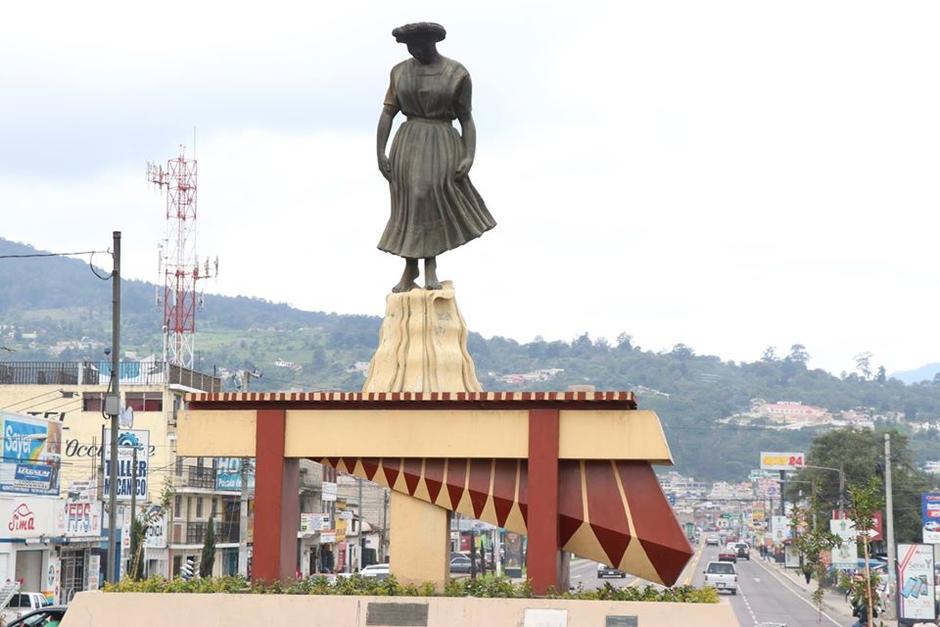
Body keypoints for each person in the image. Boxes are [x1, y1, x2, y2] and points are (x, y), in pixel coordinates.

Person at [376, 22, 496, 292]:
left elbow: (466, 117)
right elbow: (387, 113)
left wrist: (469, 155)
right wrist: (380, 152)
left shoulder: (456, 73)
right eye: (410, 47)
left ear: (433, 43)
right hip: (407, 142)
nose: (415, 51)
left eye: (420, 45)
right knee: (408, 202)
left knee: (427, 196)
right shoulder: (399, 72)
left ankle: (430, 265)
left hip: (441, 140)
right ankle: (410, 267)